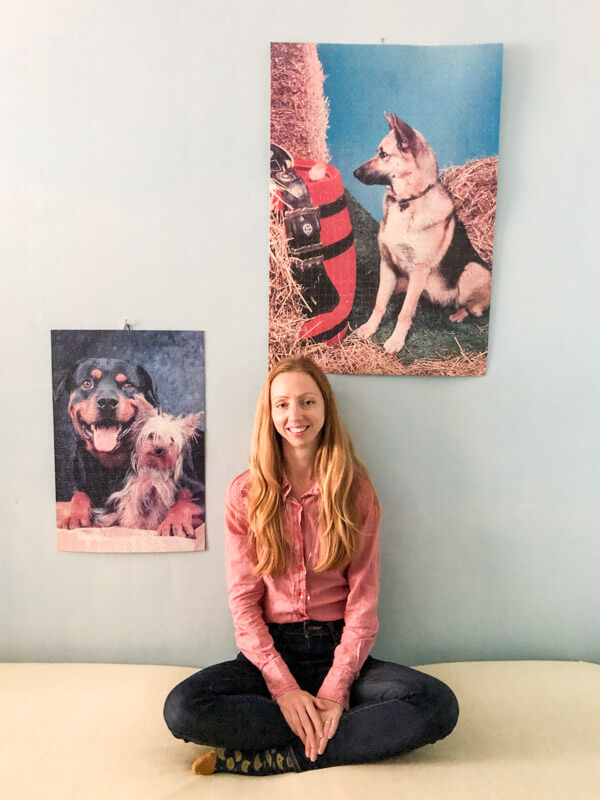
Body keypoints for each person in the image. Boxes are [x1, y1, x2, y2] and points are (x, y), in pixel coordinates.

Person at [163, 356, 458, 776]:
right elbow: (244, 603)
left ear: (325, 409)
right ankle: (321, 734)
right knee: (182, 708)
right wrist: (283, 690)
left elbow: (363, 599)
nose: (295, 415)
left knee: (436, 703)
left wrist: (337, 689)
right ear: (269, 414)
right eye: (281, 404)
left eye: (307, 402)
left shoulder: (354, 489)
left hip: (339, 651)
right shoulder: (245, 494)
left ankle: (287, 757)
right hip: (268, 656)